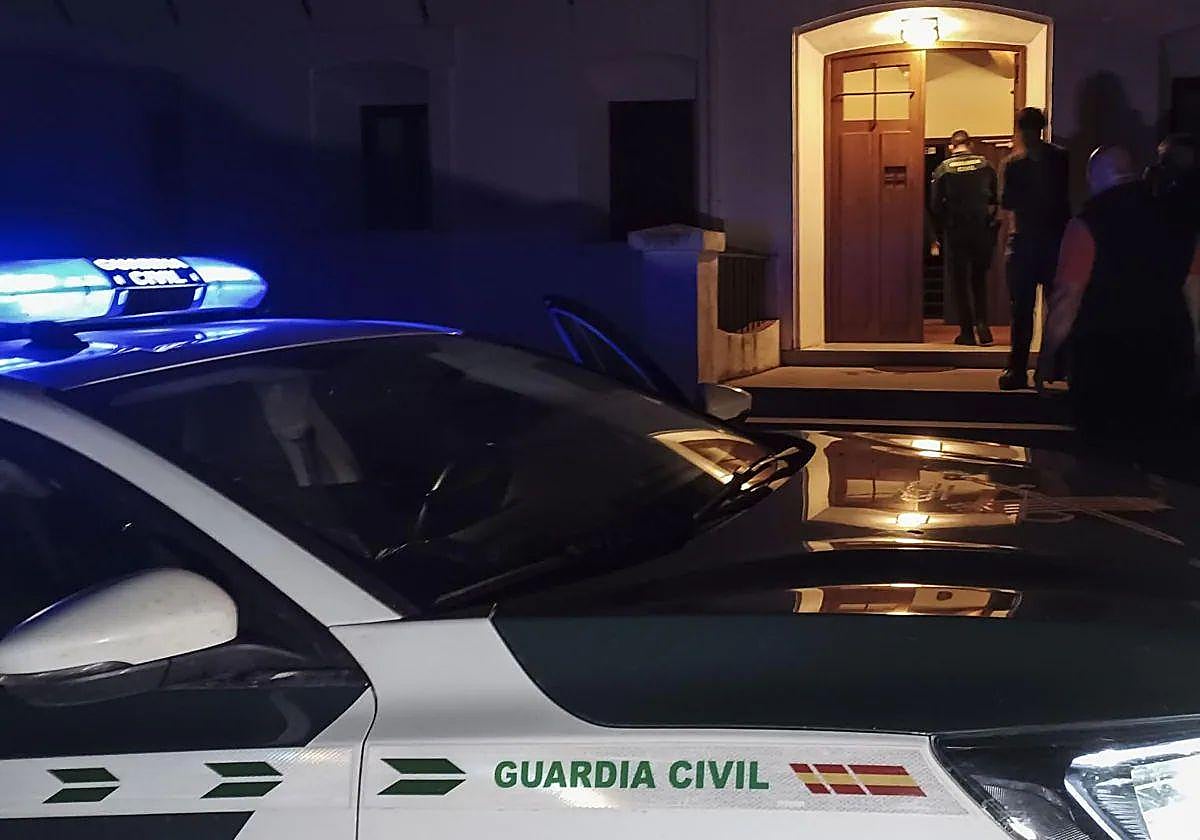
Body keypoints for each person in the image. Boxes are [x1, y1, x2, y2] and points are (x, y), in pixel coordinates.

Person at [1036, 146, 1198, 460]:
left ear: (1094, 178)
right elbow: (1195, 295)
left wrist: (1047, 357)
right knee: (1161, 458)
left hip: (1104, 359)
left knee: (1102, 462)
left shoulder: (1087, 225)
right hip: (1166, 353)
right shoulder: (1180, 222)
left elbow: (1067, 299)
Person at [998, 107, 1071, 390]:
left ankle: (1017, 370)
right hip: (1053, 239)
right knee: (1057, 308)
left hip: (1026, 239)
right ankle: (1055, 366)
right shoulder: (1060, 157)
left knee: (1022, 311)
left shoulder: (1014, 163)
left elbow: (1007, 201)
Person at [930, 130, 998, 345]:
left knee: (960, 282)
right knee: (979, 279)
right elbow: (995, 198)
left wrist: (943, 222)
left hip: (956, 230)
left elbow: (934, 205)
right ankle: (983, 327)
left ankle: (967, 332)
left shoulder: (943, 169)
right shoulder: (986, 165)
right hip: (981, 229)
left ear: (952, 146)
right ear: (970, 145)